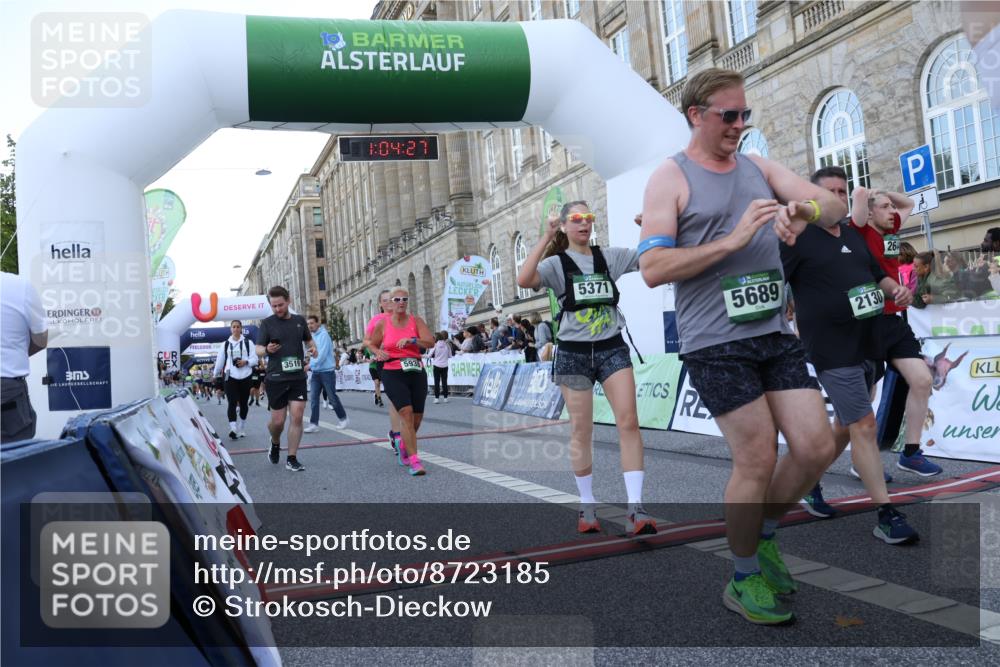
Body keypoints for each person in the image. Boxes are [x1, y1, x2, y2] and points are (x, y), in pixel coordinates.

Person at [639, 68, 846, 625]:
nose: (738, 126)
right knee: (756, 456)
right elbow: (653, 267)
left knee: (816, 446)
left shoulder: (757, 166)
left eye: (743, 115)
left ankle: (766, 532)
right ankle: (743, 573)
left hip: (774, 333)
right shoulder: (670, 177)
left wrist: (800, 211)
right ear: (695, 115)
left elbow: (836, 209)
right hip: (714, 341)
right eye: (727, 116)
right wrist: (730, 240)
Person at [781, 201, 919, 544]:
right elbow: (775, 280)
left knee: (845, 425)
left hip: (867, 344)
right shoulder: (798, 238)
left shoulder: (854, 238)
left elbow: (877, 274)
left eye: (841, 191)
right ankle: (886, 514)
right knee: (864, 423)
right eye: (828, 191)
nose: (836, 197)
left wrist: (895, 289)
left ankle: (809, 479)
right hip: (831, 349)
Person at [518, 200, 657, 538]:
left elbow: (649, 258)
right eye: (576, 219)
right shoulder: (555, 263)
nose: (584, 224)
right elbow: (524, 279)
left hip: (611, 347)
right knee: (581, 430)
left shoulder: (608, 257)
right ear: (564, 225)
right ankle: (587, 505)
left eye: (588, 218)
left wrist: (648, 226)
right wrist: (545, 236)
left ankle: (635, 509)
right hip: (572, 353)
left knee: (629, 422)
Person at [849, 186, 942, 477]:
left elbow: (909, 202)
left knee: (923, 379)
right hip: (866, 321)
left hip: (893, 322)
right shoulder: (860, 231)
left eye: (892, 207)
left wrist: (885, 193)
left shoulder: (891, 229)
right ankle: (861, 461)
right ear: (870, 212)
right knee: (866, 393)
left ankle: (911, 453)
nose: (893, 211)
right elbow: (858, 197)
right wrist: (867, 195)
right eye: (885, 207)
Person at [367, 287, 436, 476]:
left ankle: (404, 444)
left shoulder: (416, 321)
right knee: (405, 413)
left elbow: (430, 342)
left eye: (404, 299)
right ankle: (415, 461)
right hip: (392, 371)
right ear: (389, 302)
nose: (400, 302)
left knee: (417, 417)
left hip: (415, 370)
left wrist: (412, 340)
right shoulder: (383, 324)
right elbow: (371, 343)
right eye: (396, 299)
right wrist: (378, 352)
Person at [255, 285, 317, 472]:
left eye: (280, 305)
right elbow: (258, 348)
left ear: (288, 301)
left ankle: (292, 457)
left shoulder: (299, 321)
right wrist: (266, 350)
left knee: (297, 416)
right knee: (278, 422)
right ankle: (275, 442)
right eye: (274, 306)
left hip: (297, 376)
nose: (277, 309)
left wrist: (313, 348)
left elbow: (308, 341)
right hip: (276, 378)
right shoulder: (267, 323)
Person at [1, 272, 48, 443]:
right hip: (7, 391)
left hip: (7, 392)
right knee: (14, 461)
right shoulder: (20, 286)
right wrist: (16, 353)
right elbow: (41, 339)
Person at [363, 289, 403, 452]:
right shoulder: (376, 320)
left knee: (407, 401)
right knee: (395, 399)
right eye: (385, 300)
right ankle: (397, 436)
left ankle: (400, 433)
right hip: (385, 362)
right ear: (380, 304)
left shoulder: (403, 317)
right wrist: (377, 351)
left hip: (404, 361)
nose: (388, 303)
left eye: (391, 299)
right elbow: (366, 341)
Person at [212, 320, 258, 440]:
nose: (236, 329)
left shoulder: (249, 343)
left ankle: (242, 427)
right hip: (230, 376)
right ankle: (233, 428)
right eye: (233, 327)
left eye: (238, 327)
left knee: (243, 404)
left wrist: (245, 362)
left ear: (241, 328)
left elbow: (255, 360)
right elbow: (220, 361)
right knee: (231, 402)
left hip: (246, 376)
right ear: (230, 329)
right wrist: (215, 373)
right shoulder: (225, 344)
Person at [303, 315, 349, 433]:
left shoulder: (324, 335)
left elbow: (322, 355)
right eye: (308, 324)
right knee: (313, 398)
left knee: (332, 397)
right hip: (316, 372)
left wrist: (309, 366)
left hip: (327, 372)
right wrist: (308, 360)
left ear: (318, 323)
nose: (310, 326)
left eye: (312, 323)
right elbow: (312, 354)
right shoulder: (312, 337)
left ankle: (343, 418)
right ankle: (314, 424)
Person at [430, 331, 452, 403]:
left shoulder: (435, 345)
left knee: (437, 382)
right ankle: (445, 398)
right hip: (445, 365)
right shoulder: (447, 345)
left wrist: (421, 356)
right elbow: (450, 356)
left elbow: (429, 355)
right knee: (444, 382)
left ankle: (437, 398)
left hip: (436, 365)